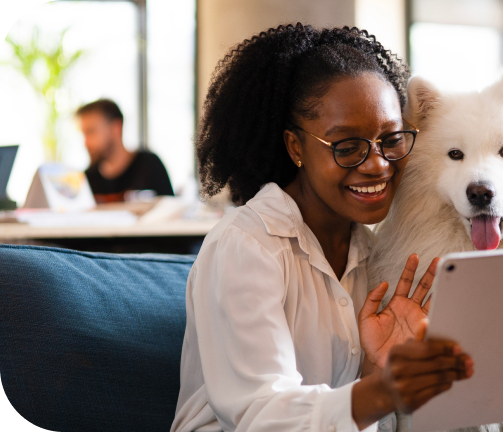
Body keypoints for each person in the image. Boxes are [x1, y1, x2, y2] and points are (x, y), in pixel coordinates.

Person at [171, 24, 474, 432]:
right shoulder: (246, 246)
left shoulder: (372, 254)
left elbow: (352, 414)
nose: (379, 165)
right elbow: (260, 416)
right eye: (347, 147)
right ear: (296, 147)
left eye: (391, 139)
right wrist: (382, 390)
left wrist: (374, 369)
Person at [76, 99, 174, 203]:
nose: (86, 143)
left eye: (91, 132)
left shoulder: (150, 166)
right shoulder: (86, 181)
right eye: (83, 134)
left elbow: (172, 211)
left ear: (116, 128)